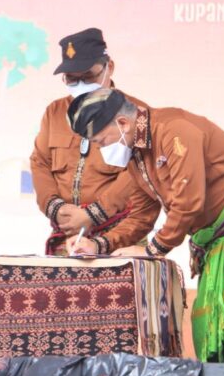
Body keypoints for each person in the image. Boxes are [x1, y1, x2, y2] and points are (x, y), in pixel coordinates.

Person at [67, 87, 224, 364]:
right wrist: (97, 244)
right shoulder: (137, 155)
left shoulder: (175, 131)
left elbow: (189, 203)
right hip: (216, 235)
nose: (102, 150)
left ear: (123, 123)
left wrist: (152, 250)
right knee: (214, 327)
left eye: (102, 141)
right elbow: (141, 217)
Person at [30, 28, 159, 255]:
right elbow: (40, 162)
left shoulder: (138, 113)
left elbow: (139, 172)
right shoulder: (54, 111)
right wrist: (55, 209)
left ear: (109, 67)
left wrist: (93, 215)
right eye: (72, 78)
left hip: (121, 234)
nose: (80, 84)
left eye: (88, 76)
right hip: (68, 235)